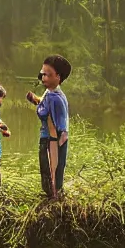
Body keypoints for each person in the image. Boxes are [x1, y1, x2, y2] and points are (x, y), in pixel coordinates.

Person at [26, 55, 71, 200]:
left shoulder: (55, 97)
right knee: (49, 166)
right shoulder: (51, 92)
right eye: (42, 74)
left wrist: (37, 104)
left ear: (58, 76)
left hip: (52, 137)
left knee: (52, 166)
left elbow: (47, 113)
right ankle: (51, 192)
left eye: (48, 74)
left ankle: (54, 193)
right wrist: (36, 99)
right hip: (49, 135)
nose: (44, 78)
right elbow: (44, 104)